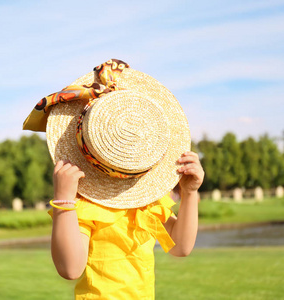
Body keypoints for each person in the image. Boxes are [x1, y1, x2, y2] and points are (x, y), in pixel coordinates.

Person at [23, 59, 204, 299]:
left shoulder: (147, 200)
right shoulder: (87, 202)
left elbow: (180, 247)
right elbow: (70, 269)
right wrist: (65, 201)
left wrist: (190, 193)